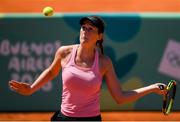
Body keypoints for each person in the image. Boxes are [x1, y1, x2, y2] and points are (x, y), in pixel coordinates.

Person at [9, 16, 167, 121]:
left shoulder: (104, 63)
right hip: (63, 118)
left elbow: (120, 97)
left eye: (91, 29)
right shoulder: (64, 52)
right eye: (83, 27)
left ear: (100, 36)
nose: (85, 31)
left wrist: (152, 88)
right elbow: (51, 72)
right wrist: (31, 88)